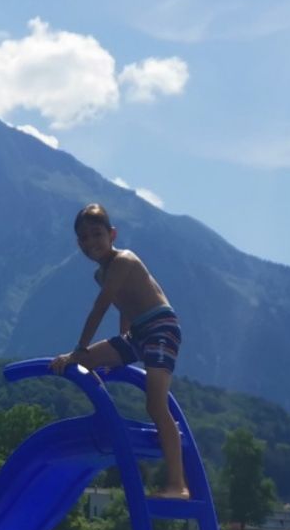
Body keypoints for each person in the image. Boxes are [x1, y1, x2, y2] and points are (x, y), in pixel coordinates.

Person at [49, 203, 189, 500]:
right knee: (86, 362)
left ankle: (178, 485)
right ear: (78, 244)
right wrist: (117, 348)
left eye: (97, 234)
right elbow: (123, 306)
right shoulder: (101, 274)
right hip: (138, 332)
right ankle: (98, 397)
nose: (91, 243)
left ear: (112, 234)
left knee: (155, 406)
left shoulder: (124, 260)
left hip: (161, 328)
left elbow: (101, 306)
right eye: (84, 238)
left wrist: (78, 349)